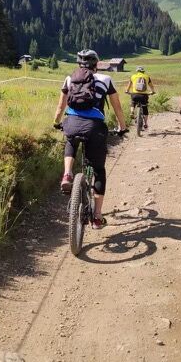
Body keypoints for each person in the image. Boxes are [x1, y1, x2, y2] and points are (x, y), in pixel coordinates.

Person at [53, 49, 128, 229]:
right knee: (99, 170)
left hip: (71, 122)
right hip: (94, 127)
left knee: (70, 140)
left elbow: (60, 106)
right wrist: (122, 127)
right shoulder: (105, 80)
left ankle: (67, 174)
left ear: (79, 64)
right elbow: (117, 108)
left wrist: (57, 122)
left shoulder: (69, 79)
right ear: (96, 64)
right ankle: (96, 217)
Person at [125, 65, 155, 130]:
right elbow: (151, 86)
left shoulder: (133, 76)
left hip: (135, 94)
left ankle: (132, 111)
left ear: (137, 71)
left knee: (133, 102)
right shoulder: (147, 77)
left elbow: (129, 85)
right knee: (145, 108)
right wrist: (152, 92)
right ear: (143, 71)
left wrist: (127, 91)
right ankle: (145, 123)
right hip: (144, 96)